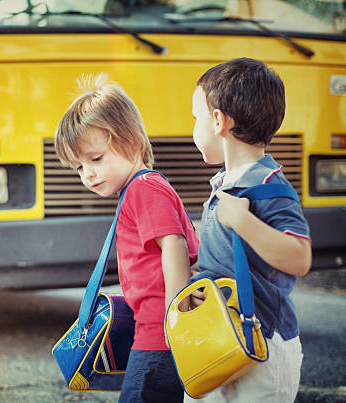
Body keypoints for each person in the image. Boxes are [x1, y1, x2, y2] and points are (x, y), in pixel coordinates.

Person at [54, 73, 199, 402]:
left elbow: (173, 244)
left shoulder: (143, 188)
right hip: (155, 332)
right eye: (78, 167)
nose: (87, 174)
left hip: (159, 336)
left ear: (132, 142)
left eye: (95, 159)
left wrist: (177, 313)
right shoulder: (140, 188)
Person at [189, 57, 312, 402]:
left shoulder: (268, 185)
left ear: (217, 121)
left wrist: (244, 221)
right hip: (219, 338)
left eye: (195, 118)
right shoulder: (225, 184)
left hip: (263, 346)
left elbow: (300, 258)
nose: (193, 129)